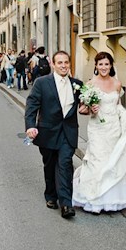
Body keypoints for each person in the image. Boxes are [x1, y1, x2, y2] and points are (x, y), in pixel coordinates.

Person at [72, 50, 126, 214]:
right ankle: (95, 198)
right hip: (97, 128)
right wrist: (91, 108)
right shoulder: (90, 84)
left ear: (111, 66)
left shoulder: (117, 84)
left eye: (107, 64)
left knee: (112, 161)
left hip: (113, 128)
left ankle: (112, 199)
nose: (104, 67)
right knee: (97, 159)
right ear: (96, 66)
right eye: (101, 64)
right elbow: (82, 109)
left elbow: (118, 107)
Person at [25, 50, 88, 219]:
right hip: (47, 132)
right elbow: (32, 106)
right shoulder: (42, 83)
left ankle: (66, 204)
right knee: (50, 165)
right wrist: (30, 127)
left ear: (69, 64)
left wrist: (87, 108)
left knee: (65, 165)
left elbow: (85, 105)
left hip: (68, 132)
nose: (63, 65)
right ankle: (51, 194)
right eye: (60, 63)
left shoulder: (78, 84)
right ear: (53, 64)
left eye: (66, 62)